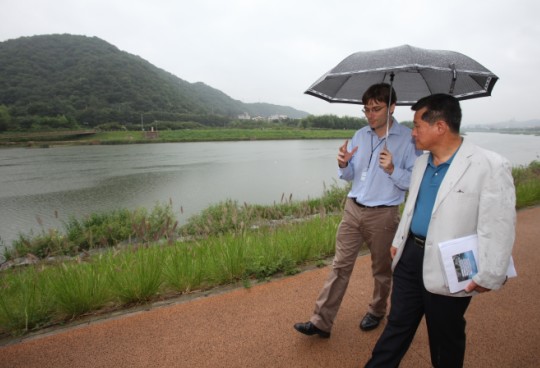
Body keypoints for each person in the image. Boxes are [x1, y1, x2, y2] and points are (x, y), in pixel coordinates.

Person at [364, 94, 516, 368]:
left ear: (440, 127)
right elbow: (412, 206)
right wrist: (400, 241)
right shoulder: (422, 162)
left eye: (417, 125)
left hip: (452, 265)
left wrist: (491, 274)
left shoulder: (489, 166)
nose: (413, 132)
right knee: (397, 325)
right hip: (410, 257)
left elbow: (500, 226)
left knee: (446, 336)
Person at [294, 83, 421, 338]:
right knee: (340, 266)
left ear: (392, 107)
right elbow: (351, 175)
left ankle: (376, 310)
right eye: (366, 110)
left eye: (376, 109)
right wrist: (343, 163)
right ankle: (320, 321)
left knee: (382, 269)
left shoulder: (408, 140)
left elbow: (415, 183)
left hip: (383, 214)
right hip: (353, 209)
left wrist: (392, 169)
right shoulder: (360, 135)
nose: (370, 114)